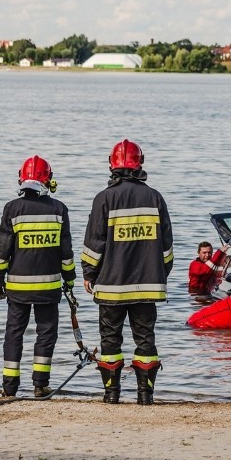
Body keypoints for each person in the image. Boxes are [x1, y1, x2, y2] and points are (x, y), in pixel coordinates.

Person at [81, 139, 173, 405]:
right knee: (146, 339)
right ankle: (146, 396)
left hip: (111, 286)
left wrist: (89, 273)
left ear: (112, 165)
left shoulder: (104, 198)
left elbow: (94, 244)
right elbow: (166, 246)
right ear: (139, 164)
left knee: (110, 341)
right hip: (148, 285)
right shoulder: (155, 197)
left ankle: (112, 394)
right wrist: (160, 274)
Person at [0, 156, 75, 398]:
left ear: (21, 179)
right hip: (49, 288)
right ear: (48, 180)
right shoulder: (59, 209)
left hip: (17, 287)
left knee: (14, 333)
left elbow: (3, 251)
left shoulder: (12, 209)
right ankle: (40, 385)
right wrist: (69, 281)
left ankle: (9, 388)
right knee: (46, 333)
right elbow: (66, 253)